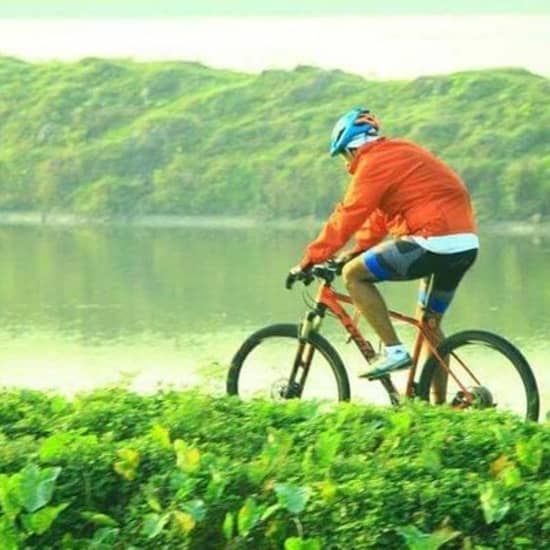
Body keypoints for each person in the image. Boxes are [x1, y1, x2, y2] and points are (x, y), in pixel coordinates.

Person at [286, 107, 479, 382]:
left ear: (351, 148)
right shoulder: (398, 153)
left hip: (432, 240)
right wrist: (353, 251)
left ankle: (394, 351)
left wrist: (310, 259)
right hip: (464, 245)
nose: (345, 163)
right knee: (430, 325)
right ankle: (439, 406)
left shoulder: (372, 162)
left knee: (353, 275)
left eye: (343, 154)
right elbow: (378, 218)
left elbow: (349, 214)